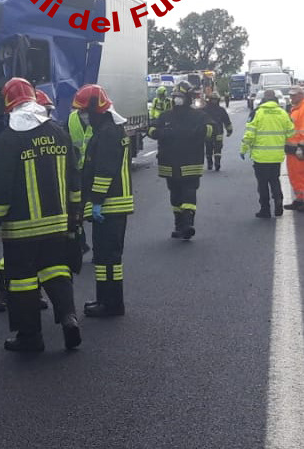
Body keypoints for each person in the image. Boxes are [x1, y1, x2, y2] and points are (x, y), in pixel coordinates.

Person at [0, 79, 81, 352]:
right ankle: (69, 317)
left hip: (21, 228)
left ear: (8, 104)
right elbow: (74, 178)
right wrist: (75, 214)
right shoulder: (60, 133)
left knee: (23, 280)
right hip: (58, 222)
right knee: (57, 269)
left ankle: (30, 338)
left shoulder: (8, 140)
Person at [73, 84, 134, 318]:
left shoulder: (107, 133)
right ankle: (108, 300)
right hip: (114, 204)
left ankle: (110, 304)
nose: (82, 116)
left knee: (107, 257)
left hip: (110, 205)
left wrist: (96, 200)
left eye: (83, 111)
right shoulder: (110, 129)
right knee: (109, 258)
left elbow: (104, 171)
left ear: (94, 109)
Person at [148, 80, 212, 240]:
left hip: (190, 163)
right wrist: (159, 133)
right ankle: (179, 225)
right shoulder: (165, 116)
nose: (177, 99)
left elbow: (211, 129)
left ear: (188, 98)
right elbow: (151, 128)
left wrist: (201, 131)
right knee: (175, 195)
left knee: (189, 192)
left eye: (180, 96)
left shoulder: (199, 116)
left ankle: (188, 223)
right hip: (170, 164)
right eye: (175, 96)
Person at [241, 89, 295, 218]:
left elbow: (249, 134)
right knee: (275, 180)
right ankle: (278, 201)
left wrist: (243, 149)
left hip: (260, 156)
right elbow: (291, 132)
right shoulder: (282, 113)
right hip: (276, 155)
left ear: (263, 99)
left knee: (263, 183)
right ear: (275, 98)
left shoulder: (257, 113)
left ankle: (265, 209)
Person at [201, 92, 233, 171]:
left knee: (213, 148)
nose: (214, 101)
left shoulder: (204, 109)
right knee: (214, 148)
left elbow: (227, 121)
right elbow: (227, 121)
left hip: (211, 132)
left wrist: (229, 130)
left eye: (215, 100)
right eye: (213, 99)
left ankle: (213, 163)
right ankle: (213, 163)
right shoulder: (220, 110)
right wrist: (229, 131)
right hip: (216, 132)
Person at [286, 87, 304, 211]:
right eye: (291, 96)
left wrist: (301, 147)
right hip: (292, 149)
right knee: (294, 175)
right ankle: (299, 200)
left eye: (294, 95)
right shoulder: (295, 109)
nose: (291, 98)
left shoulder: (302, 110)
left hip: (299, 149)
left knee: (299, 175)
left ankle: (302, 201)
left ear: (301, 95)